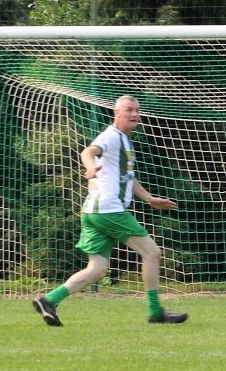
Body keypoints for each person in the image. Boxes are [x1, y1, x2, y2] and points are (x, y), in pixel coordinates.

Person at [32, 95, 187, 326]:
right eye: (128, 110)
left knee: (97, 269)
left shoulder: (124, 141)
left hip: (93, 212)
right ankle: (155, 311)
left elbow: (128, 178)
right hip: (108, 209)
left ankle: (49, 300)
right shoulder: (112, 136)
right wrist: (91, 167)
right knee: (152, 253)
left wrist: (150, 198)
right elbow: (88, 151)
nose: (134, 114)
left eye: (136, 110)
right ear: (116, 112)